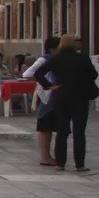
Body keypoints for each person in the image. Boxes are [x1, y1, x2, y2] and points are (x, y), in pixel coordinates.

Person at [34, 35, 99, 172]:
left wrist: (50, 86)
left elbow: (38, 73)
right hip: (80, 97)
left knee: (62, 131)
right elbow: (94, 75)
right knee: (79, 131)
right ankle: (80, 164)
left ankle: (60, 163)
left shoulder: (56, 59)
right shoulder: (82, 58)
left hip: (62, 96)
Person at [26, 36, 60, 167]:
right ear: (52, 49)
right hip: (46, 97)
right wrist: (47, 84)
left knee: (50, 127)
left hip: (54, 97)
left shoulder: (56, 59)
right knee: (45, 127)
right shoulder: (44, 60)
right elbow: (28, 73)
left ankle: (48, 156)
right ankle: (45, 157)